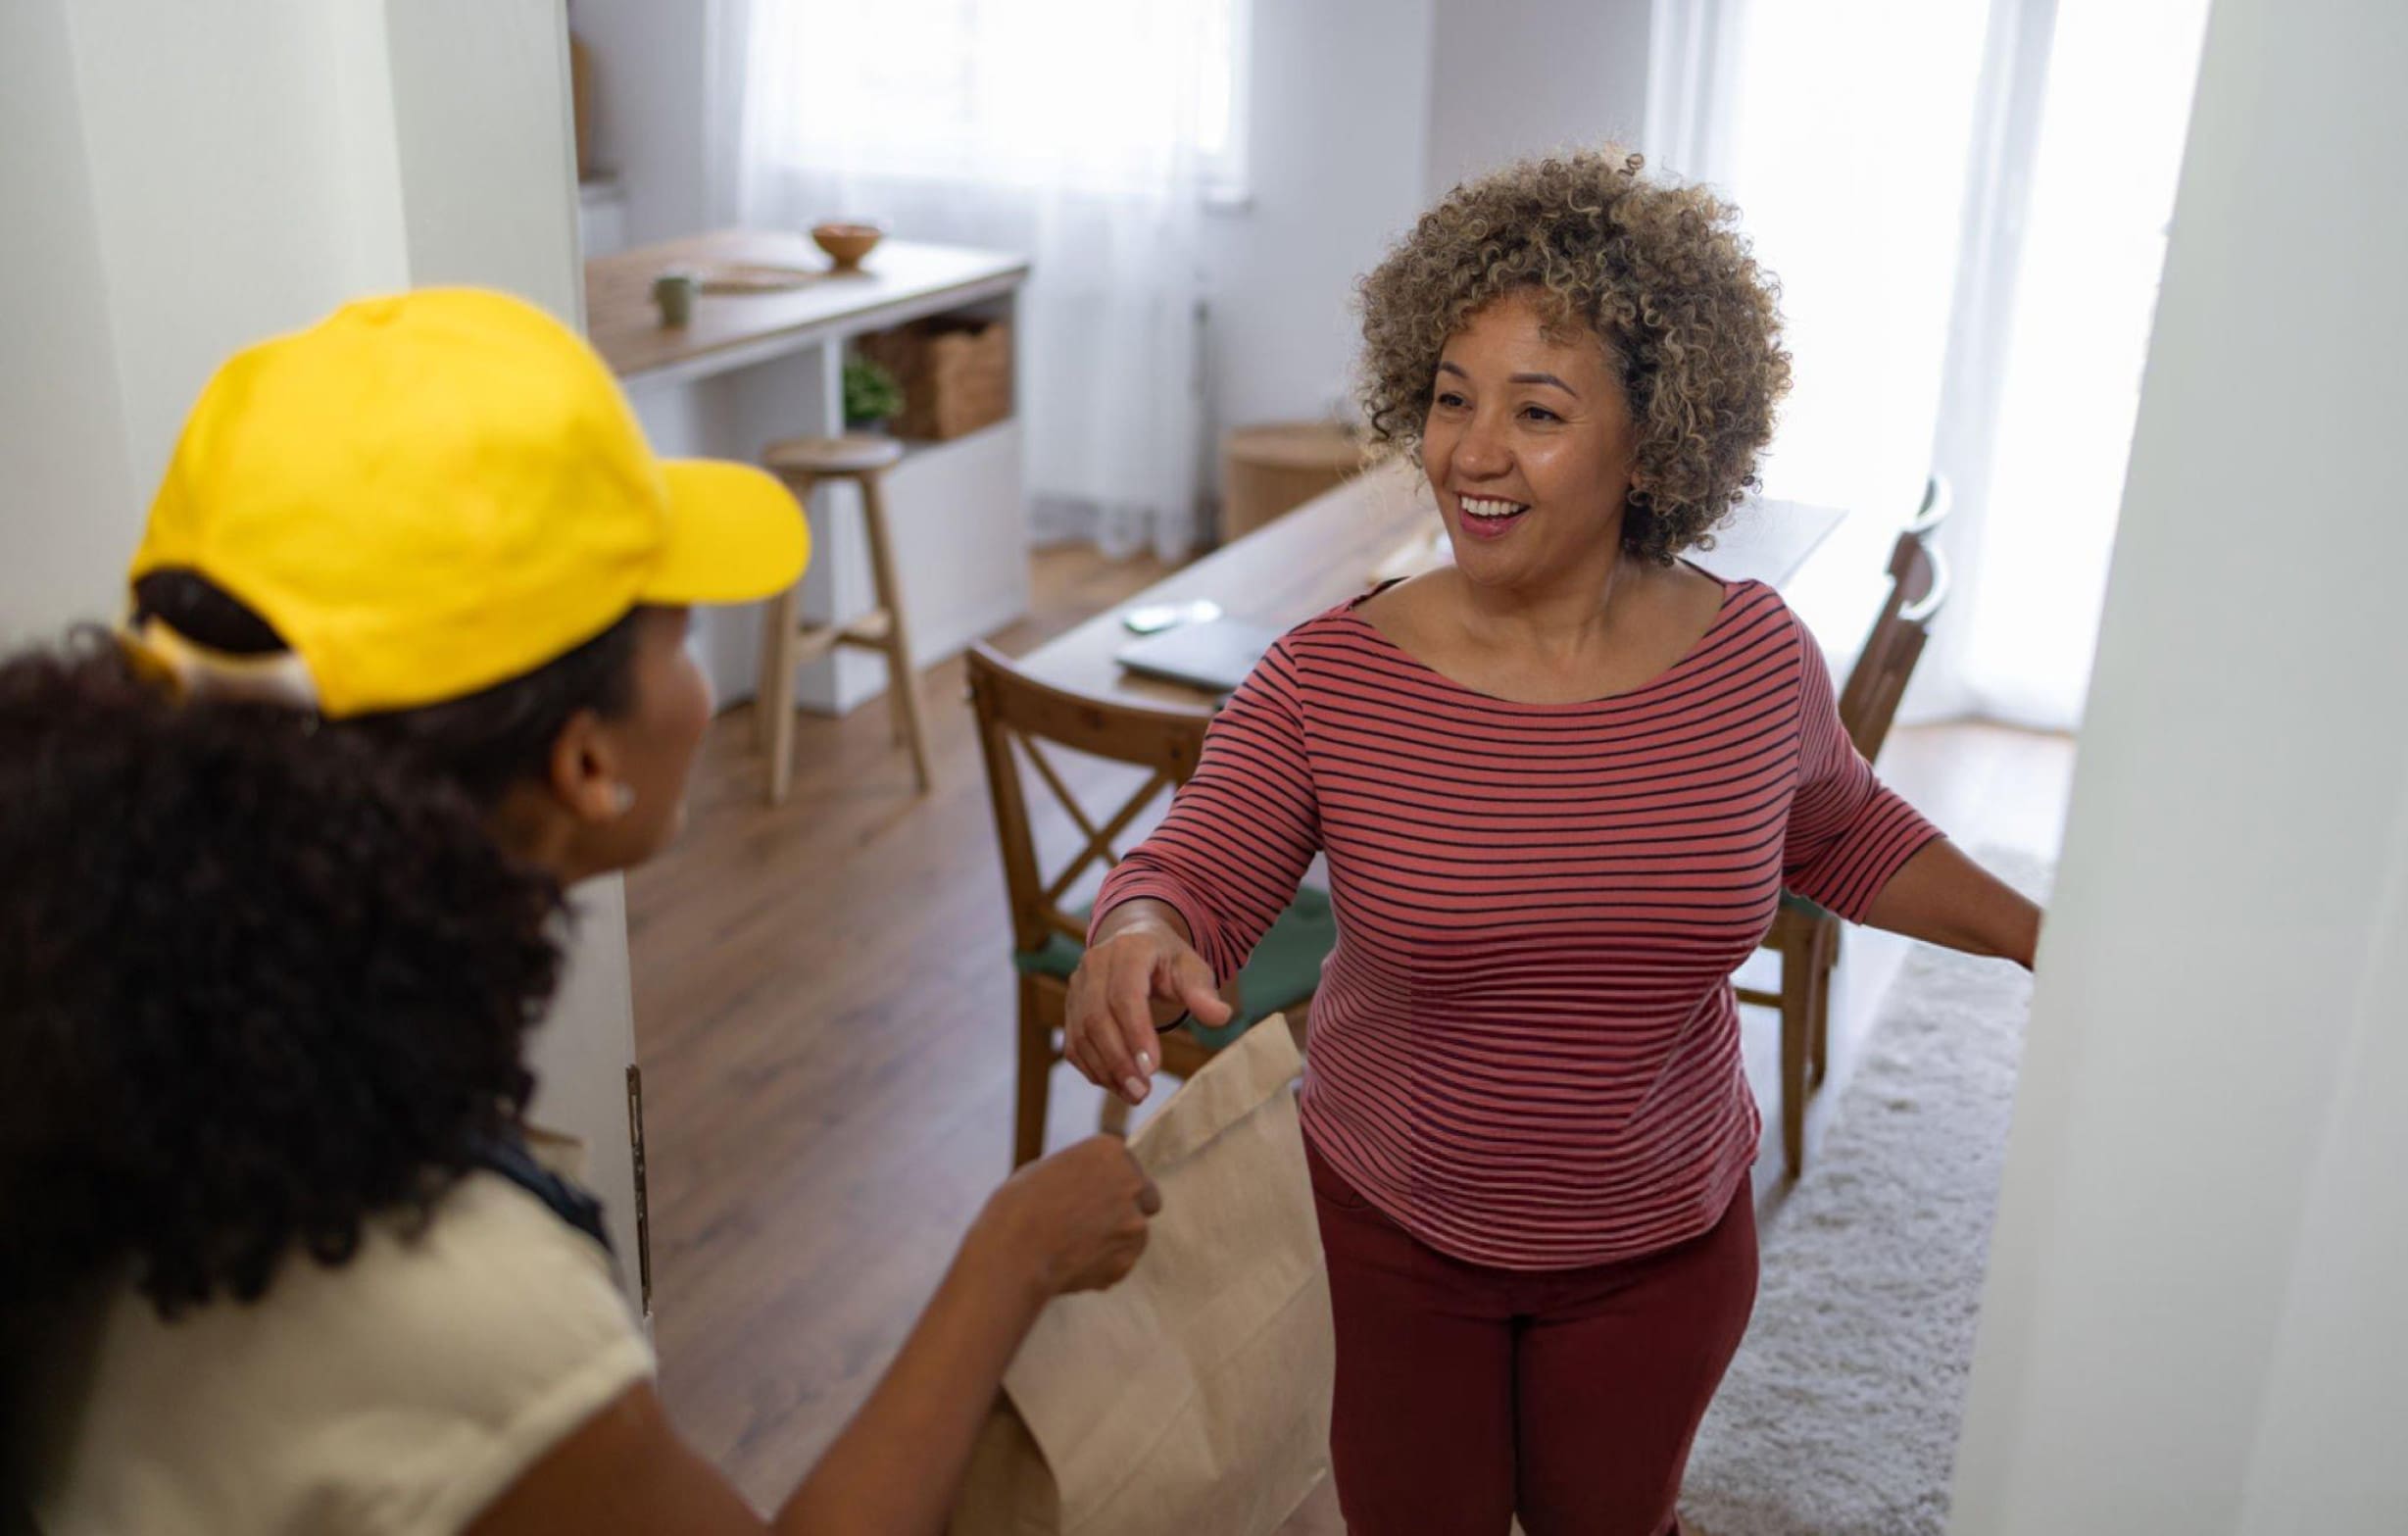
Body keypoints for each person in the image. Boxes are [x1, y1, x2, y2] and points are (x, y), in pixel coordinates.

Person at [0, 288, 1157, 1535]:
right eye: (679, 634)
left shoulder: (101, 1031)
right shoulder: (459, 1307)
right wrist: (1013, 1255)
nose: (703, 689)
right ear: (584, 761)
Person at [1061, 149, 2044, 1536]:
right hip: (1394, 1233)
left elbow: (1845, 830)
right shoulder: (1328, 677)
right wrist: (1136, 928)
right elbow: (1196, 863)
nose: (1471, 450)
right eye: (1453, 399)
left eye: (1536, 409)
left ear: (1652, 441)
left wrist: (2039, 933)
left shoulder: (1752, 655)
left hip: (1665, 1240)